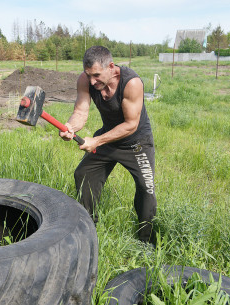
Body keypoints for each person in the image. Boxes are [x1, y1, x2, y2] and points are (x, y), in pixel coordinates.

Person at [59, 46, 157, 245]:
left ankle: (147, 243)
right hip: (108, 137)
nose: (92, 81)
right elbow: (81, 111)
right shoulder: (85, 81)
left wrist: (95, 141)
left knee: (146, 189)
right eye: (89, 75)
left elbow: (131, 125)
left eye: (96, 75)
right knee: (84, 173)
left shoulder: (132, 83)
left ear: (111, 67)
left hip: (136, 142)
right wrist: (70, 127)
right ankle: (87, 230)